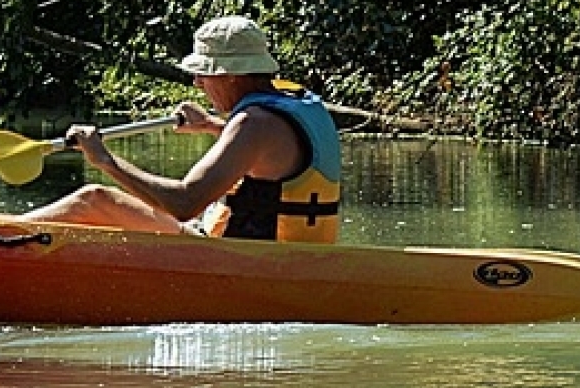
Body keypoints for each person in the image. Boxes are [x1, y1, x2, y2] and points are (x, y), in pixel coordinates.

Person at [19, 15, 341, 242]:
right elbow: (277, 153)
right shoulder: (297, 99)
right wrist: (211, 126)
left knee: (94, 199)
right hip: (298, 256)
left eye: (205, 73)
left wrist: (105, 160)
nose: (197, 82)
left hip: (239, 260)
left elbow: (185, 204)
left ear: (231, 74)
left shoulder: (252, 123)